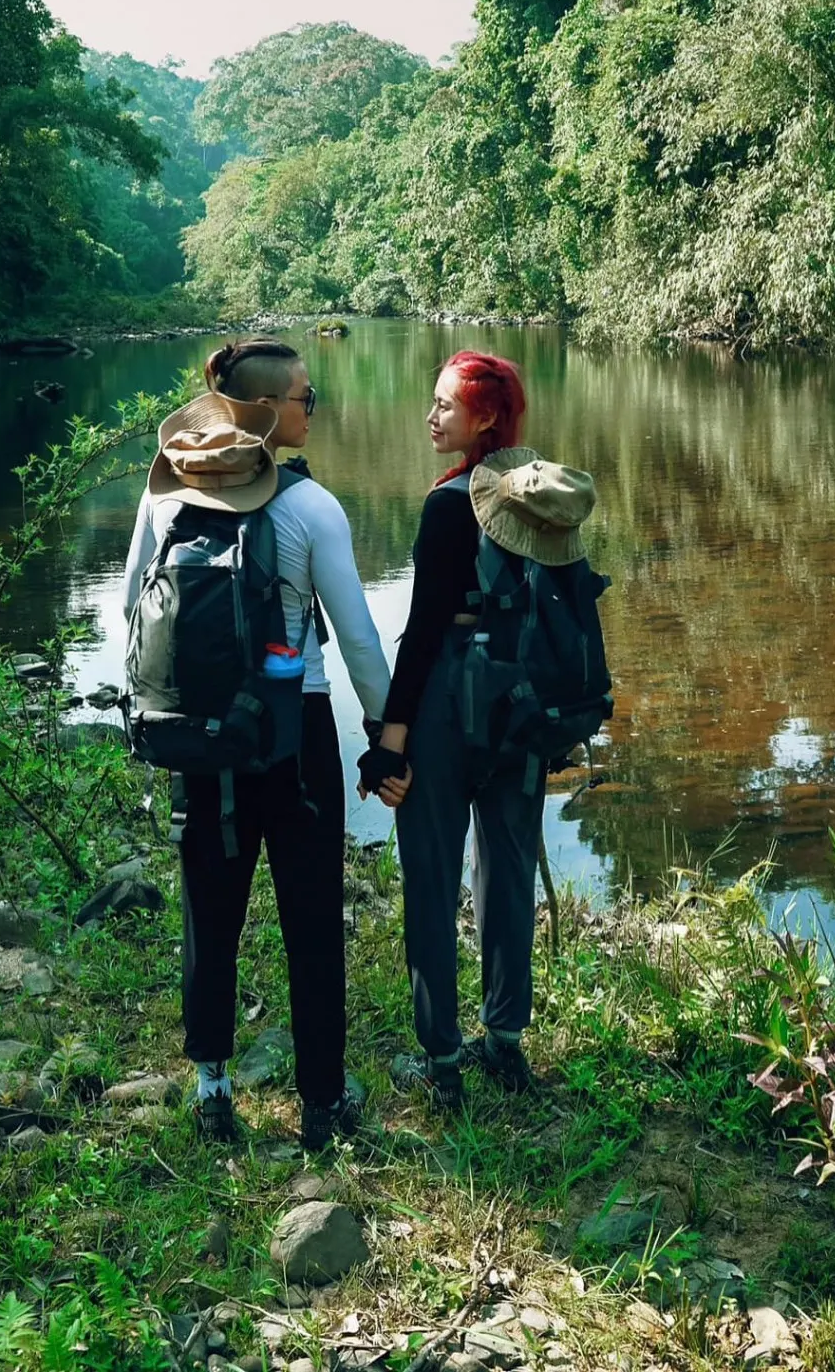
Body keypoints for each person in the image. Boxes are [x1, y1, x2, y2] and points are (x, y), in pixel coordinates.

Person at [122, 338, 390, 1150]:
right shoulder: (312, 508)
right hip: (293, 734)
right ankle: (321, 1102)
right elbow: (360, 644)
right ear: (272, 412)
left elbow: (132, 611)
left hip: (201, 738)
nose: (317, 407)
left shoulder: (164, 498)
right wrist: (386, 735)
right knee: (312, 916)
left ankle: (212, 1090)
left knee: (210, 910)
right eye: (310, 396)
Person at [362, 350, 596, 1110]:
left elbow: (423, 633)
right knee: (508, 869)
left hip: (448, 704)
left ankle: (442, 1059)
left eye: (444, 405)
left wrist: (389, 741)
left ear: (486, 418)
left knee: (431, 877)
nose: (430, 415)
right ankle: (505, 1040)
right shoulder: (539, 499)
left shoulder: (445, 505)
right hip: (523, 706)